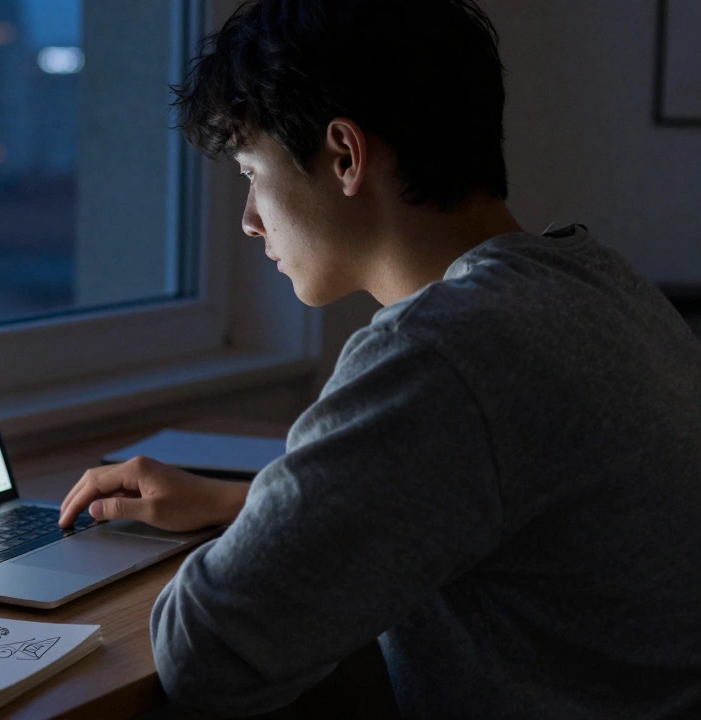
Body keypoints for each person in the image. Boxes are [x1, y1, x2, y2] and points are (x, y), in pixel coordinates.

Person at [56, 0, 701, 717]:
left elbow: (205, 651)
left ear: (345, 155)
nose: (247, 220)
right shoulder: (594, 282)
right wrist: (240, 506)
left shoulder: (443, 351)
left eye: (250, 173)